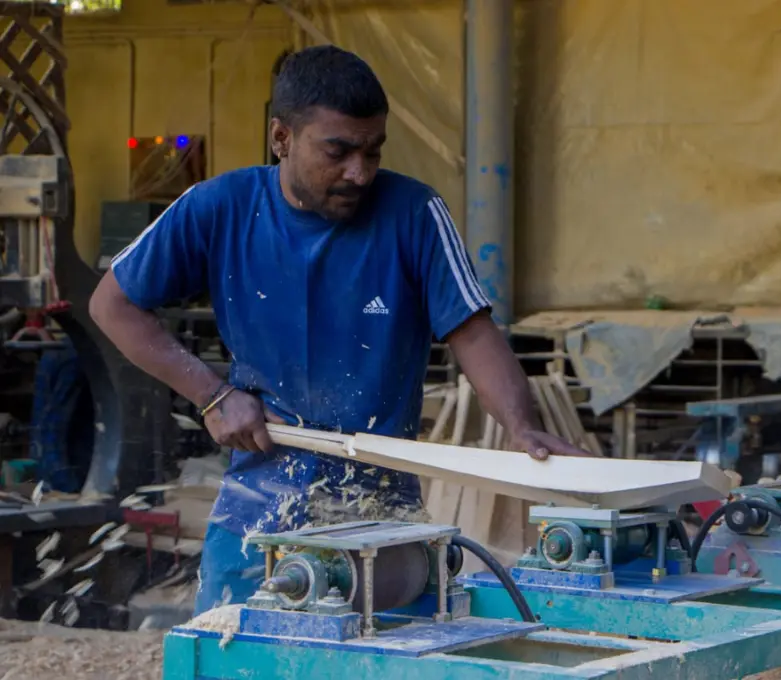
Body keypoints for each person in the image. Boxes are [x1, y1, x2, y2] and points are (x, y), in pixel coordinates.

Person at [89, 45, 588, 616]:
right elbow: (112, 304)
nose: (359, 172)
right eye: (339, 151)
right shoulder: (218, 207)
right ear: (282, 138)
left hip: (381, 515)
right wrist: (214, 395)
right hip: (258, 508)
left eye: (373, 152)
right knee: (232, 652)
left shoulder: (414, 213)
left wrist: (521, 427)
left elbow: (472, 331)